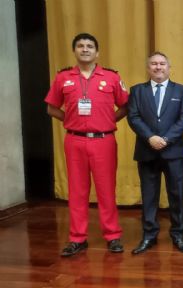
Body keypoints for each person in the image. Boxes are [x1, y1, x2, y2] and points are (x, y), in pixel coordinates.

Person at [45, 33, 128, 257]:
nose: (85, 49)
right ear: (75, 51)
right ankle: (77, 238)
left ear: (97, 52)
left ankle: (112, 236)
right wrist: (70, 121)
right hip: (75, 140)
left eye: (90, 46)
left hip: (104, 141)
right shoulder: (63, 77)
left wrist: (109, 121)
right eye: (80, 46)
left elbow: (126, 106)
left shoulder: (111, 77)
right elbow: (51, 108)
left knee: (106, 190)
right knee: (77, 191)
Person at [127, 52, 183, 254]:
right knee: (149, 196)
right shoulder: (137, 91)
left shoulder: (181, 90)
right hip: (147, 152)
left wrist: (165, 139)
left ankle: (178, 235)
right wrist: (150, 138)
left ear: (168, 67)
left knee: (176, 194)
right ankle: (149, 236)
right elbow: (134, 117)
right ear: (148, 68)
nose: (158, 67)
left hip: (173, 151)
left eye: (162, 63)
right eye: (154, 64)